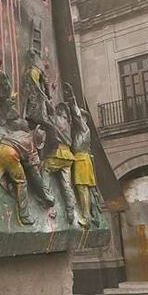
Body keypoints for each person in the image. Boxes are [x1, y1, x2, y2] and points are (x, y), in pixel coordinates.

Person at [0, 123, 51, 226]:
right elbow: (34, 173)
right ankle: (25, 216)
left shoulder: (19, 133)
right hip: (11, 155)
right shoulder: (32, 147)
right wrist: (45, 195)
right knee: (22, 182)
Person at [65, 84, 100, 226]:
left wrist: (72, 98)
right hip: (81, 160)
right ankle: (90, 215)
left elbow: (77, 115)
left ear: (84, 118)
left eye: (80, 116)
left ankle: (86, 217)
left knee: (82, 188)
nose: (76, 118)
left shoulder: (84, 127)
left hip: (81, 160)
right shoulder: (80, 131)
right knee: (83, 189)